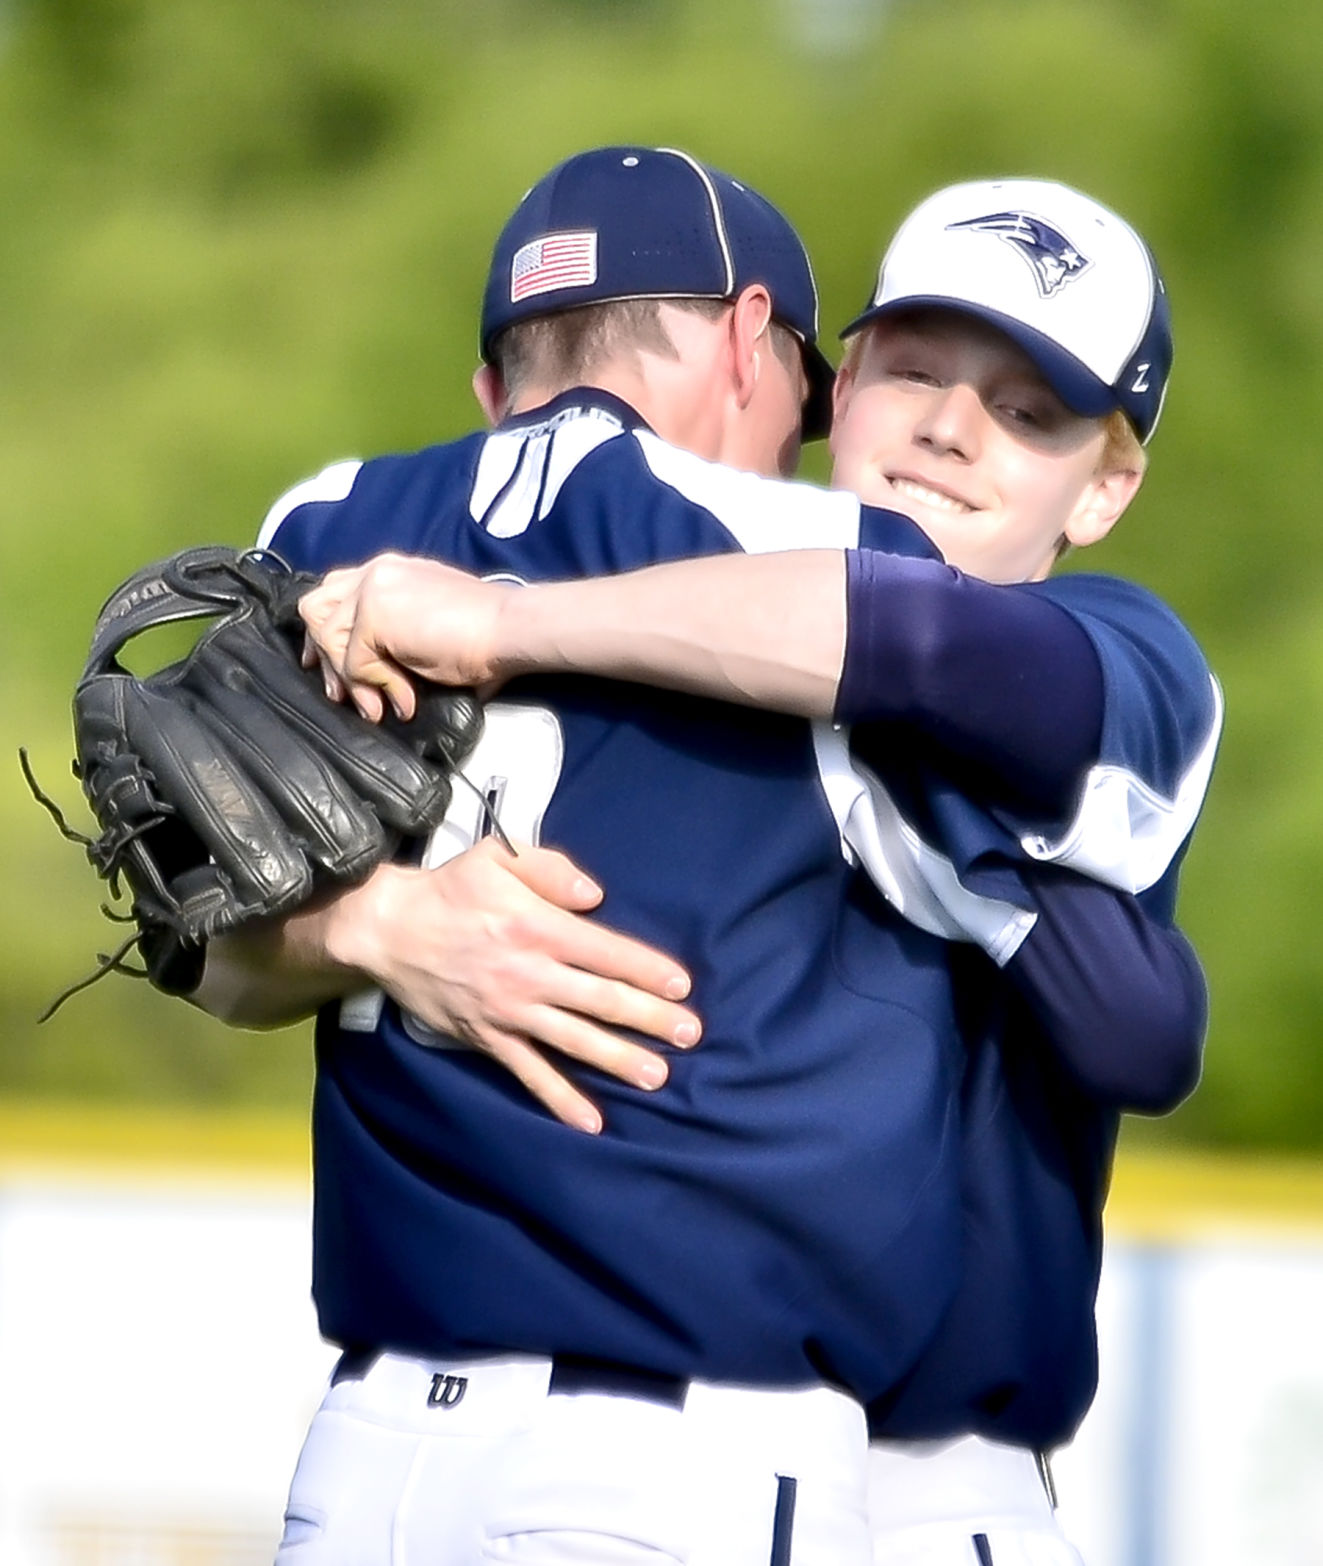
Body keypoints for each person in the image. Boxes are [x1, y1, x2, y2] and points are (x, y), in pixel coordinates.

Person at [288, 176, 1220, 1563]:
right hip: (597, 1427)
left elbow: (1138, 1025)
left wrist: (503, 615)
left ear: (1107, 485)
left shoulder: (1124, 649)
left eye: (1031, 414)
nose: (955, 430)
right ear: (834, 387)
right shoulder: (695, 590)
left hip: (932, 1476)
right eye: (915, 372)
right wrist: (379, 919)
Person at [202, 145, 989, 1566]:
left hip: (369, 1456)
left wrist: (364, 926)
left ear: (496, 383)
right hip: (672, 1452)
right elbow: (937, 648)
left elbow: (201, 949)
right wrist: (393, 922)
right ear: (755, 336)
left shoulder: (319, 532)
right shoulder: (833, 548)